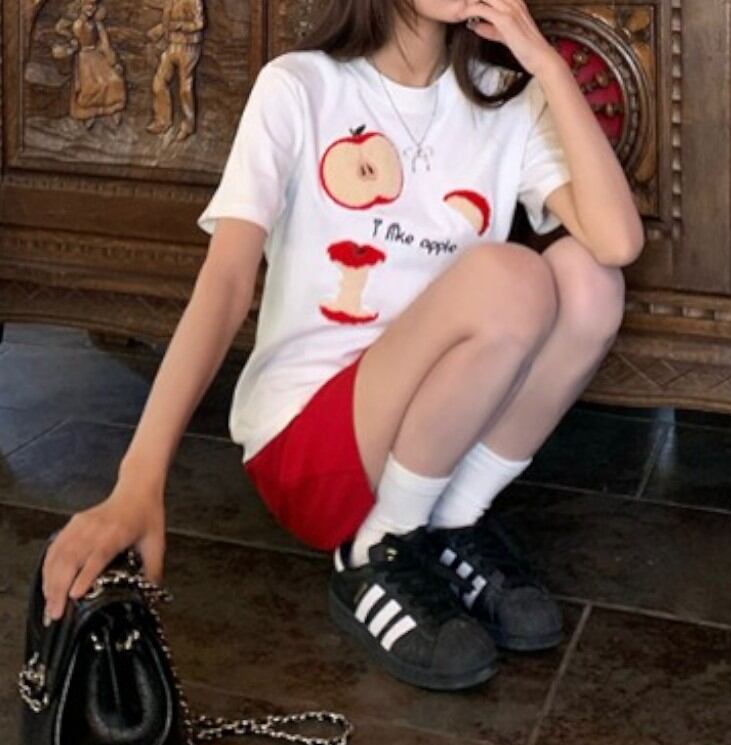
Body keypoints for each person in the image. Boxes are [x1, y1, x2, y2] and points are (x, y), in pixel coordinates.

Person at [40, 0, 643, 691]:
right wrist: (137, 482)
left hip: (434, 439)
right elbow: (227, 282)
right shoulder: (299, 87)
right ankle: (376, 549)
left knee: (591, 281)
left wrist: (545, 65)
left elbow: (618, 242)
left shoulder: (507, 98)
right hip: (311, 446)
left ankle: (449, 522)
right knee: (514, 279)